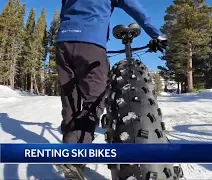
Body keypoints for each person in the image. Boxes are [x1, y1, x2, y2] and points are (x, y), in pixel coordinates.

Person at [55, 0, 167, 179]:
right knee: (95, 100)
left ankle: (69, 156)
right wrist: (156, 34)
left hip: (63, 43)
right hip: (90, 43)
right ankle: (75, 160)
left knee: (71, 104)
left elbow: (64, 12)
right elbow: (133, 6)